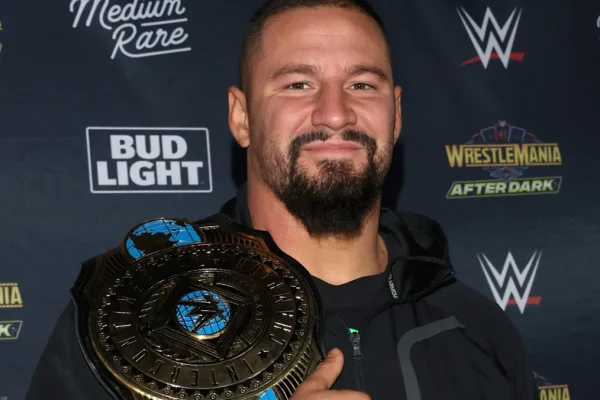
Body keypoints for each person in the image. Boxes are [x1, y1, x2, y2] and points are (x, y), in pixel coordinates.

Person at [26, 1, 538, 399]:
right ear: (242, 117)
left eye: (362, 84)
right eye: (298, 84)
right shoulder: (130, 312)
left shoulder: (477, 328)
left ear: (396, 114)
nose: (335, 113)